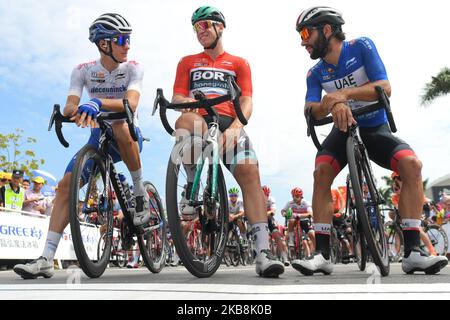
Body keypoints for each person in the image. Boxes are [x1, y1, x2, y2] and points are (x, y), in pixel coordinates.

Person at [294, 6, 447, 275]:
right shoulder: (315, 73)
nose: (303, 40)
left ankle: (413, 252)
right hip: (341, 132)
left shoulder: (361, 46)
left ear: (327, 30)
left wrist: (342, 96)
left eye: (306, 32)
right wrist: (329, 104)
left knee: (412, 165)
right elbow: (310, 109)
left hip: (374, 128)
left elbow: (384, 87)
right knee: (321, 173)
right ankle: (322, 254)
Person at [14, 13, 149, 279]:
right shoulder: (83, 70)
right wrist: (72, 111)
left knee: (120, 124)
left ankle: (139, 190)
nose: (127, 45)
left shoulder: (133, 67)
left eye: (129, 39)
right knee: (65, 186)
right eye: (121, 39)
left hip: (127, 137)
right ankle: (45, 258)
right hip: (96, 139)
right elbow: (70, 104)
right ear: (103, 44)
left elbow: (131, 104)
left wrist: (97, 103)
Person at [171, 6, 284, 277]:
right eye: (196, 27)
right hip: (200, 118)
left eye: (205, 25)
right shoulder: (188, 62)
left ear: (220, 27)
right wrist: (191, 103)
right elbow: (177, 98)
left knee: (249, 173)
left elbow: (246, 100)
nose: (201, 32)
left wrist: (237, 126)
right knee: (183, 123)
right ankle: (190, 184)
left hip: (228, 123)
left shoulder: (239, 63)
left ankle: (263, 253)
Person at [281, 187, 315, 259]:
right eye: (293, 196)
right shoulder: (290, 202)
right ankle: (291, 241)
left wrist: (300, 215)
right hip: (294, 220)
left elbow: (310, 214)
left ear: (301, 196)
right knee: (291, 220)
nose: (294, 198)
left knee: (312, 234)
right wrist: (284, 214)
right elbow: (283, 210)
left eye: (296, 196)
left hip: (304, 220)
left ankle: (316, 251)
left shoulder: (305, 203)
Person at [263, 186, 289, 266]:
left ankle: (284, 258)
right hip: (261, 220)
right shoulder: (256, 199)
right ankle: (267, 257)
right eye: (264, 195)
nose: (265, 197)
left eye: (267, 195)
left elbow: (273, 212)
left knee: (277, 236)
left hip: (269, 218)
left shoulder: (271, 199)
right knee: (265, 237)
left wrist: (267, 213)